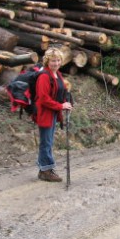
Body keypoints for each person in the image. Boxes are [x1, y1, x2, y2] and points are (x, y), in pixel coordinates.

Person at [35, 47, 73, 182]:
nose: (55, 63)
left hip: (53, 113)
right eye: (52, 61)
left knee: (48, 141)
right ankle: (46, 170)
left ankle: (44, 169)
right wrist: (60, 106)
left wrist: (66, 103)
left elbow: (59, 92)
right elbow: (43, 98)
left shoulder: (57, 74)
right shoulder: (44, 76)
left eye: (57, 60)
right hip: (45, 113)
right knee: (46, 142)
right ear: (47, 61)